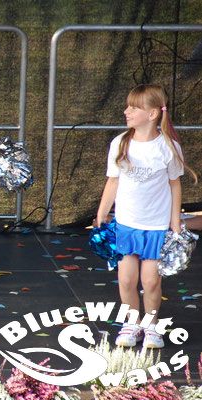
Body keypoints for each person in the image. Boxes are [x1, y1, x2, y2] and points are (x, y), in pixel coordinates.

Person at [95, 84, 196, 349]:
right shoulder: (120, 143)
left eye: (134, 108)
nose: (126, 111)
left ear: (152, 114)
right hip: (126, 225)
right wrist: (102, 213)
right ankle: (131, 324)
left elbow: (174, 184)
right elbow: (113, 181)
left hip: (156, 227)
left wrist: (175, 222)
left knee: (151, 282)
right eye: (127, 106)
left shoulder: (168, 147)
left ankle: (151, 326)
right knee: (126, 279)